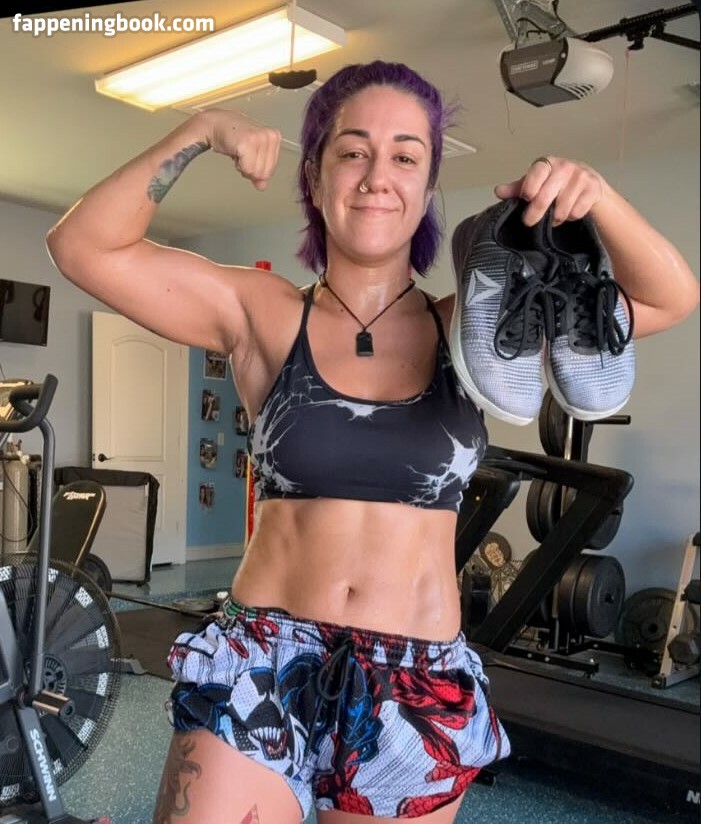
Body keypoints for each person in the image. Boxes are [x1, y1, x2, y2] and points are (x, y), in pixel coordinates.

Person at [46, 60, 698, 824]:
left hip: (413, 680)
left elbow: (669, 297)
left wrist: (597, 198)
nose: (376, 175)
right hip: (264, 659)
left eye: (404, 156)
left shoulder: (478, 331)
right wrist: (201, 129)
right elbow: (82, 246)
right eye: (352, 151)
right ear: (316, 175)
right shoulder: (261, 313)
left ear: (427, 187)